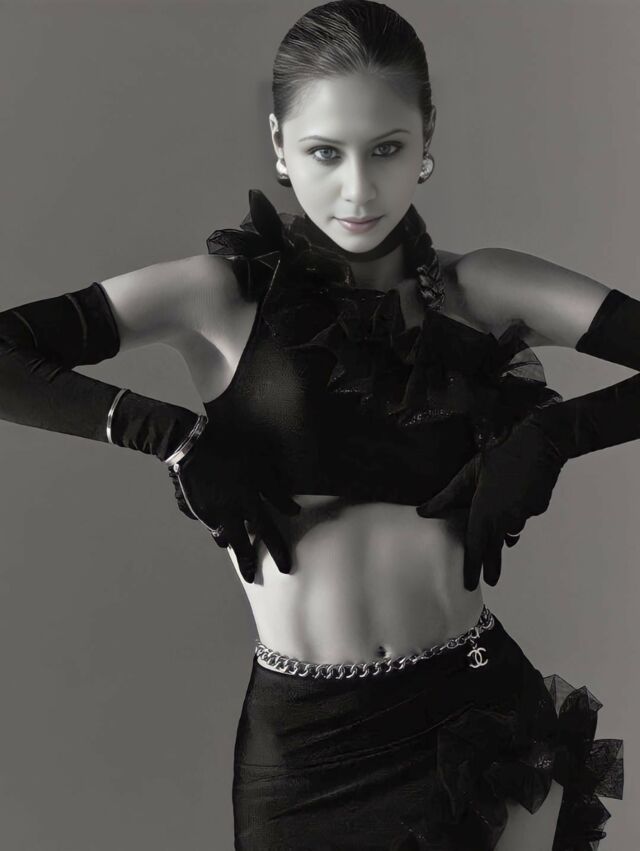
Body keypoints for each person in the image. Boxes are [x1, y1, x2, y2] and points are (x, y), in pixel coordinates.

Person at [0, 1, 629, 848]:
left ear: (427, 136)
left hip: (479, 712)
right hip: (306, 751)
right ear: (279, 144)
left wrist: (553, 437)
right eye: (326, 152)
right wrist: (172, 435)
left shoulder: (483, 290)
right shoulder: (219, 297)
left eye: (387, 149)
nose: (358, 189)